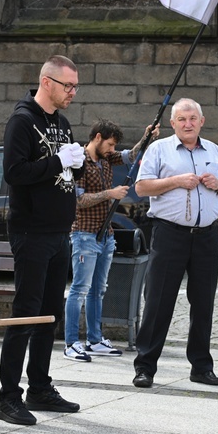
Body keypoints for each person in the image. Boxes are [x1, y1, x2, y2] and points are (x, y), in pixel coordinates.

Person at [0, 55, 85, 426]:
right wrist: (56, 162)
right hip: (31, 231)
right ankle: (8, 397)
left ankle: (40, 387)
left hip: (59, 231)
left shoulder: (61, 123)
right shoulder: (22, 121)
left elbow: (61, 168)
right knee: (26, 315)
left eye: (76, 86)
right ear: (47, 82)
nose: (73, 93)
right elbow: (14, 173)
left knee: (50, 316)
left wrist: (76, 161)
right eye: (68, 86)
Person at [131, 98, 218, 388]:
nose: (188, 124)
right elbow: (141, 187)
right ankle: (145, 367)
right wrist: (176, 181)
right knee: (158, 301)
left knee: (203, 303)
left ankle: (201, 367)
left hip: (206, 236)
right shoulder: (158, 149)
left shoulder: (215, 152)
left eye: (193, 119)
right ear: (173, 123)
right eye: (182, 119)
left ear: (202, 121)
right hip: (169, 234)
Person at [63, 119, 158, 362]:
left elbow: (131, 156)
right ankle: (72, 342)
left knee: (99, 290)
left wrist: (147, 136)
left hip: (106, 236)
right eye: (110, 144)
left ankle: (95, 340)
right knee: (80, 290)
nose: (112, 149)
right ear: (97, 137)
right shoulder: (78, 162)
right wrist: (110, 193)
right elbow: (79, 201)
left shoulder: (106, 157)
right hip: (85, 234)